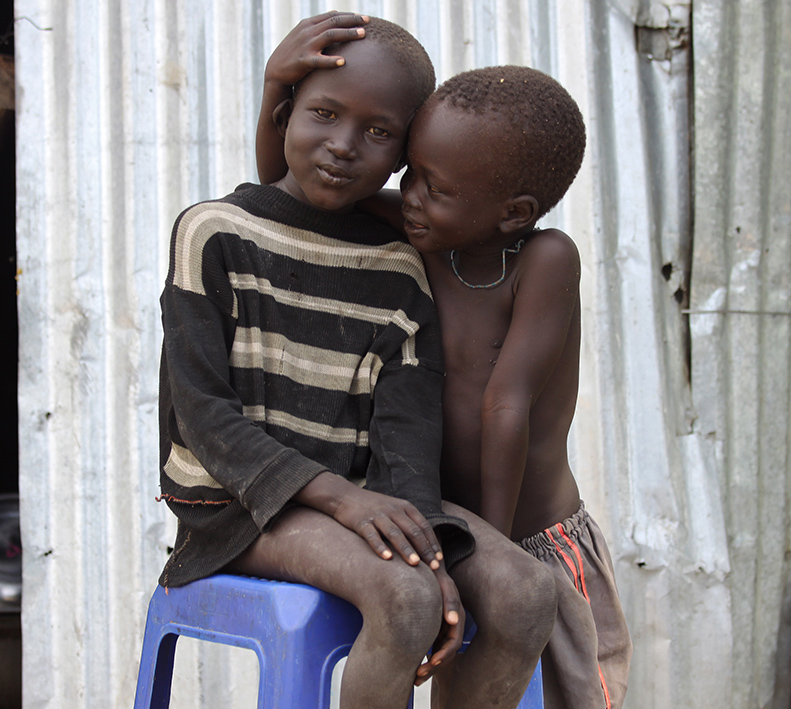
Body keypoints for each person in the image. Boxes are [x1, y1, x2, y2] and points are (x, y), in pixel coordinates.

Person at [159, 13, 556, 709]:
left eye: (377, 133)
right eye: (323, 113)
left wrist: (429, 539)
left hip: (361, 501)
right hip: (235, 506)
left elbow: (406, 433)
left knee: (527, 591)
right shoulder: (214, 233)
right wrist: (344, 500)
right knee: (404, 597)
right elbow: (204, 418)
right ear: (286, 114)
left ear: (404, 157)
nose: (343, 146)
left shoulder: (400, 270)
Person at [258, 29, 633, 709]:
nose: (410, 195)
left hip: (530, 530)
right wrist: (274, 89)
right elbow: (289, 195)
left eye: (436, 186)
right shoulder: (424, 230)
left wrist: (487, 543)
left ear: (511, 213)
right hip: (440, 512)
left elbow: (506, 405)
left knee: (576, 691)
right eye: (411, 172)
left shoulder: (544, 260)